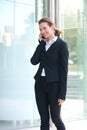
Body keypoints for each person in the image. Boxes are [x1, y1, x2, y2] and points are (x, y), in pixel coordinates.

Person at [30, 17, 69, 130]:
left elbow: (64, 71)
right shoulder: (43, 45)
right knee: (44, 119)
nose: (42, 31)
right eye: (40, 29)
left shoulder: (61, 45)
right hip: (40, 84)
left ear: (52, 27)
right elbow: (33, 61)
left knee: (56, 118)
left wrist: (62, 94)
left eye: (45, 28)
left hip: (54, 86)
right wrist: (41, 43)